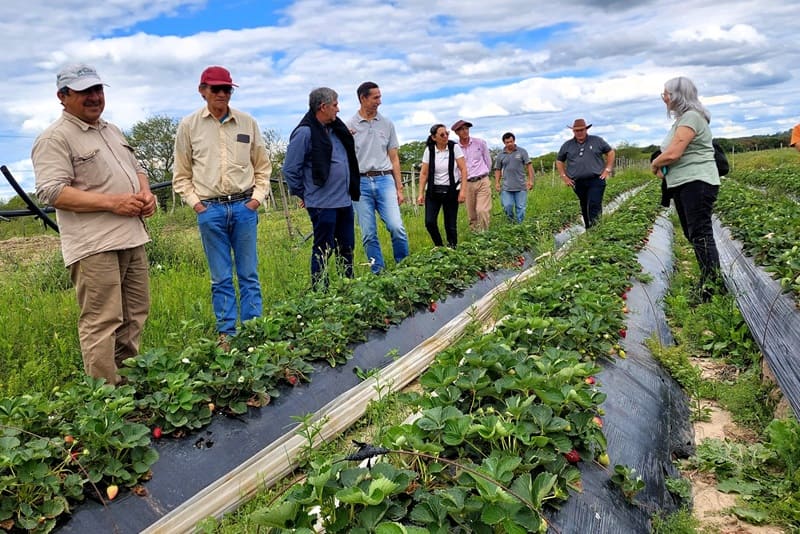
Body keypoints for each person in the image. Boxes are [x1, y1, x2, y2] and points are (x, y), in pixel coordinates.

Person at [32, 63, 156, 385]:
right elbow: (53, 191)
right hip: (94, 246)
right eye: (84, 91)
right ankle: (106, 402)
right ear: (62, 96)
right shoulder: (55, 138)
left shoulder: (111, 130)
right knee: (103, 321)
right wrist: (114, 203)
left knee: (135, 315)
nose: (94, 97)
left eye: (98, 89)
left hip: (132, 236)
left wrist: (145, 193)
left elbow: (137, 166)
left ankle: (130, 383)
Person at [173, 66, 271, 350]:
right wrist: (196, 204)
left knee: (249, 274)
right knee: (221, 278)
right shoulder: (189, 126)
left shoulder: (247, 123)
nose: (221, 94)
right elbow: (181, 174)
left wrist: (256, 199)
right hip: (211, 210)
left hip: (244, 206)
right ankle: (227, 334)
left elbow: (262, 166)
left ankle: (253, 332)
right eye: (215, 89)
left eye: (226, 89)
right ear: (202, 90)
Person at [650, 76, 723, 301]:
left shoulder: (691, 116)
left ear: (677, 95)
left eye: (666, 93)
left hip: (697, 182)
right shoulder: (683, 119)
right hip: (685, 183)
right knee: (694, 234)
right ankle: (708, 280)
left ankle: (713, 288)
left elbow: (674, 152)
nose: (664, 98)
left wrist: (655, 163)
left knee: (700, 233)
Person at [283, 87, 361, 288]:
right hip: (321, 203)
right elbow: (290, 170)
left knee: (347, 247)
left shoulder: (337, 131)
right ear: (323, 107)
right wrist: (306, 194)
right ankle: (321, 292)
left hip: (343, 201)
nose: (338, 109)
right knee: (323, 249)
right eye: (335, 105)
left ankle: (348, 287)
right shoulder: (305, 133)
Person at [347, 82, 409, 274]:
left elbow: (394, 158)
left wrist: (399, 188)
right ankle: (379, 274)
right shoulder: (349, 126)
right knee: (368, 234)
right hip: (361, 183)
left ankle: (405, 268)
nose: (379, 102)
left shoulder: (387, 124)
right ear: (362, 98)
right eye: (375, 98)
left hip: (384, 180)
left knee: (396, 227)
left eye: (380, 97)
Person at [556, 119, 615, 228]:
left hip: (596, 179)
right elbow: (559, 161)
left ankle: (596, 229)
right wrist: (564, 177)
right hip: (578, 182)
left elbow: (610, 152)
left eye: (581, 130)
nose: (579, 132)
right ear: (573, 131)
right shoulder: (567, 145)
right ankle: (589, 229)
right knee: (584, 205)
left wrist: (607, 169)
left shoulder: (597, 141)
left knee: (594, 203)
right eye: (576, 130)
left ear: (586, 129)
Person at [416, 124, 467, 247]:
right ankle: (439, 246)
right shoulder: (430, 150)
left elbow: (463, 169)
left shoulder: (454, 147)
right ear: (434, 137)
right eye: (442, 135)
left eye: (447, 133)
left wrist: (463, 191)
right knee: (429, 222)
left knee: (450, 224)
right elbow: (424, 173)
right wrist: (420, 193)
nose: (446, 136)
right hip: (433, 191)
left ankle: (453, 248)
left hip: (451, 191)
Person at [452, 119, 492, 231]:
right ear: (456, 132)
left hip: (482, 179)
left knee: (482, 210)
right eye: (461, 129)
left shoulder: (480, 143)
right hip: (467, 183)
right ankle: (476, 239)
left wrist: (485, 174)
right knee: (472, 214)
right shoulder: (455, 148)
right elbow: (455, 167)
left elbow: (488, 161)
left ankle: (484, 235)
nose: (465, 131)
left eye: (466, 128)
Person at [494, 132, 534, 224]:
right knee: (507, 206)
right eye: (507, 142)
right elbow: (497, 169)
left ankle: (520, 226)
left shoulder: (522, 151)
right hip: (507, 187)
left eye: (511, 141)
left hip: (521, 186)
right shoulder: (501, 155)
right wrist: (497, 183)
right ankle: (511, 224)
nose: (509, 144)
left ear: (514, 141)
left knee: (521, 208)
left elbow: (529, 166)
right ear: (504, 143)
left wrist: (530, 181)